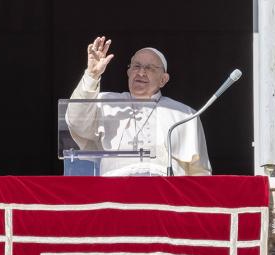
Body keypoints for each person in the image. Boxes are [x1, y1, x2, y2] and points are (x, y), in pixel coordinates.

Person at [66, 36, 211, 176]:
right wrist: (92, 75)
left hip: (165, 194)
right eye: (136, 66)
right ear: (129, 72)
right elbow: (76, 122)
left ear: (163, 79)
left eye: (150, 68)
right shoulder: (106, 102)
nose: (141, 72)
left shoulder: (184, 114)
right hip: (114, 191)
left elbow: (199, 171)